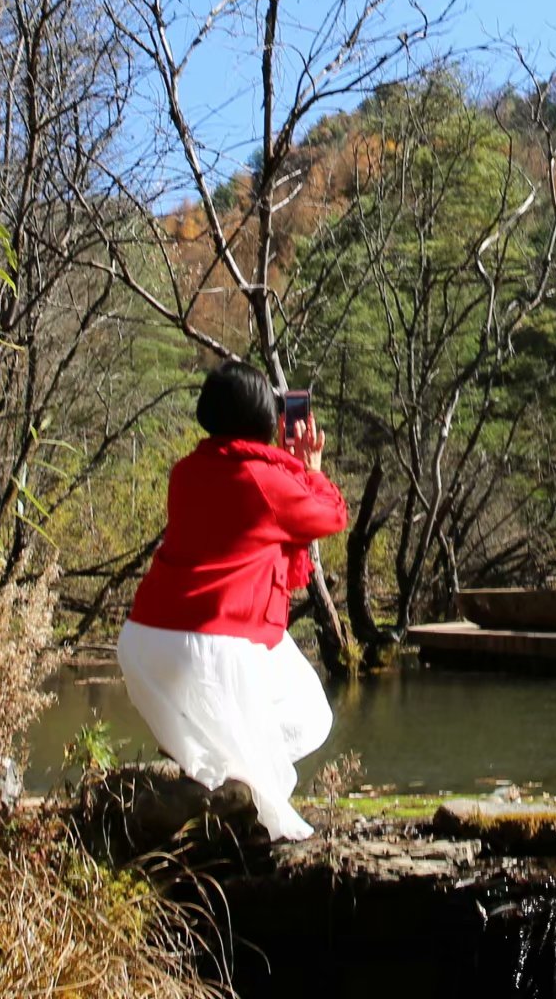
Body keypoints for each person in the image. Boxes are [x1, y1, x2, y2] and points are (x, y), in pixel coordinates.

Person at [118, 359, 349, 840]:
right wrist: (310, 470)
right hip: (210, 640)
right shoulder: (266, 481)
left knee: (220, 754)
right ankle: (239, 808)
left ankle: (211, 801)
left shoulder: (186, 471)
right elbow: (329, 515)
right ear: (265, 419)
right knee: (309, 715)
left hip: (146, 638)